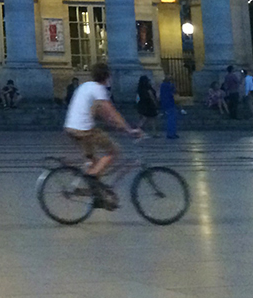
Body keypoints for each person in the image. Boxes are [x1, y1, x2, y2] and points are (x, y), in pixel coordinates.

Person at [63, 61, 142, 209]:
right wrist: (129, 130)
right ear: (107, 76)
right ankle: (91, 177)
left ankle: (97, 196)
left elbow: (102, 114)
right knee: (113, 152)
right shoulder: (99, 89)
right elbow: (111, 111)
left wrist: (115, 126)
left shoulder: (85, 86)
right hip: (84, 130)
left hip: (71, 128)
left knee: (94, 162)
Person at [159, 72, 180, 139]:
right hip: (168, 103)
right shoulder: (167, 85)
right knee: (171, 119)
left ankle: (172, 132)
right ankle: (170, 133)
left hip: (169, 102)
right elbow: (175, 91)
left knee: (172, 119)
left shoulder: (166, 84)